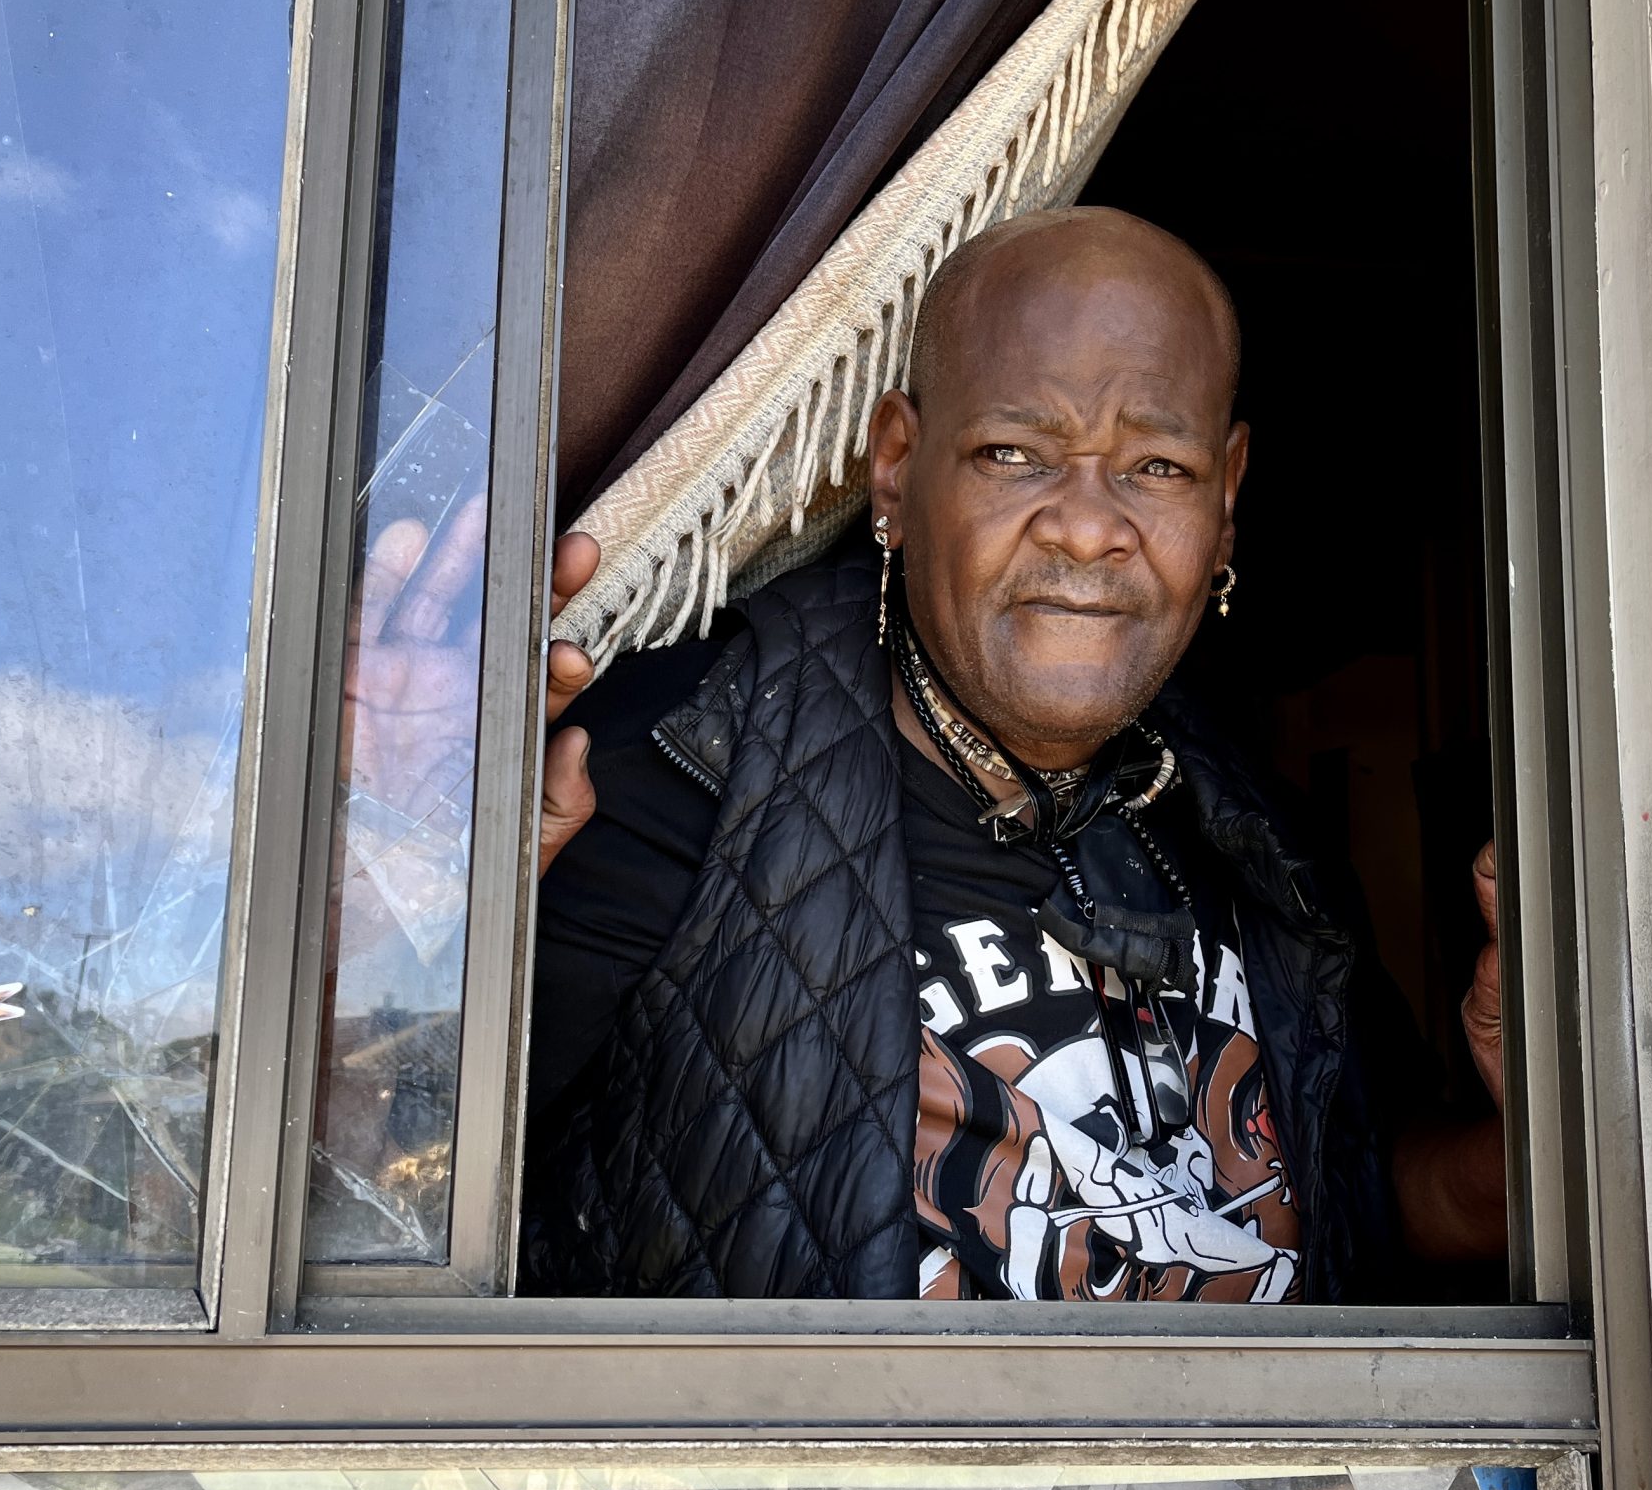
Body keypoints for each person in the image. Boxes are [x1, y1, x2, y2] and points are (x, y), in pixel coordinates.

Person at [507, 207, 1503, 1299]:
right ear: (895, 464)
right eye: (1014, 454)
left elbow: (1368, 1203)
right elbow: (387, 1166)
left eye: (1157, 468)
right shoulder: (684, 762)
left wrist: (1541, 1138)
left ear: (1226, 498)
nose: (1085, 527)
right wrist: (378, 914)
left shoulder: (1256, 831)